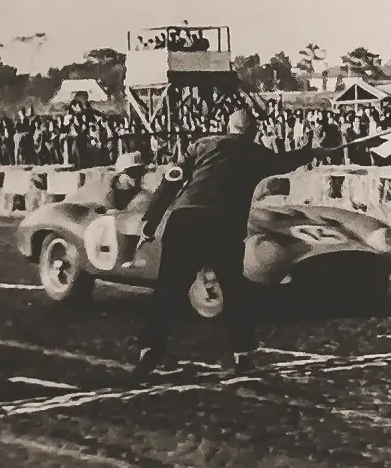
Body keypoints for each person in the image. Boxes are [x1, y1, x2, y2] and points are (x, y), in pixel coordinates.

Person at [130, 109, 323, 381]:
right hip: (223, 225)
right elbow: (285, 161)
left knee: (168, 290)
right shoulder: (255, 153)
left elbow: (170, 181)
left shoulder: (201, 145)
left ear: (228, 126)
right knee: (234, 290)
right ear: (253, 132)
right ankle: (242, 354)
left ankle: (149, 349)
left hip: (185, 220)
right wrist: (312, 152)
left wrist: (150, 222)